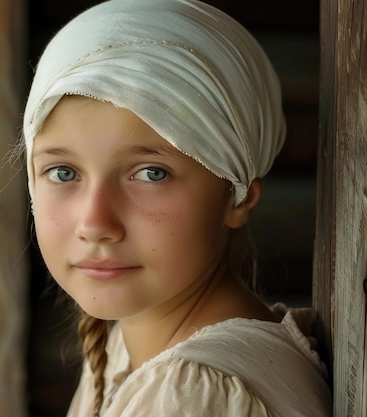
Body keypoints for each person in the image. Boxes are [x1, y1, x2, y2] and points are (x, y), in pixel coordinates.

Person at [22, 0, 332, 416]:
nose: (95, 224)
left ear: (237, 197)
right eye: (62, 173)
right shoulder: (139, 350)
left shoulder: (194, 396)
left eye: (152, 174)